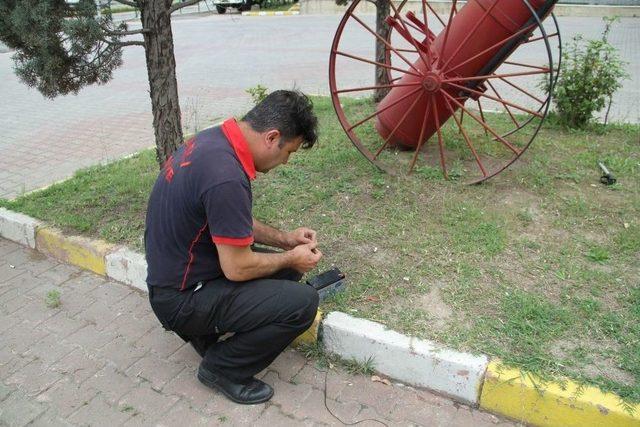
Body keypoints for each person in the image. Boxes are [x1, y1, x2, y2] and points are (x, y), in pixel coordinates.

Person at [144, 90, 322, 405]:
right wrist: (291, 258)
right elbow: (237, 268)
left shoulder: (215, 142)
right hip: (182, 299)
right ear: (272, 137)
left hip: (178, 280)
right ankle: (222, 369)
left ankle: (205, 333)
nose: (285, 162)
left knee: (286, 275)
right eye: (289, 153)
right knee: (302, 303)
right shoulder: (226, 176)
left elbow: (229, 220)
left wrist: (285, 241)